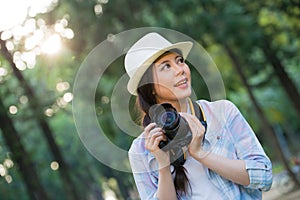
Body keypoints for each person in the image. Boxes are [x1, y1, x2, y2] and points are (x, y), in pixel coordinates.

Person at [126, 32, 272, 200]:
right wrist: (163, 165)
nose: (180, 70)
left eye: (180, 61)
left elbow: (264, 177)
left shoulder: (223, 112)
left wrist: (201, 154)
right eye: (166, 66)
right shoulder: (140, 151)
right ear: (150, 87)